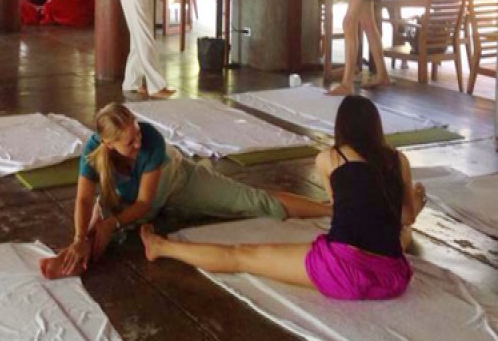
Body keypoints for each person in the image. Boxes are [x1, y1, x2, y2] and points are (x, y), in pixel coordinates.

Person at [140, 95, 427, 301]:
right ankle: (161, 247)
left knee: (242, 256)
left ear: (341, 128)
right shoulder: (397, 159)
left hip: (341, 270)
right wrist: (413, 201)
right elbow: (406, 217)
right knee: (396, 235)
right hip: (391, 278)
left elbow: (341, 207)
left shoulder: (330, 158)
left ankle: (161, 247)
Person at [39, 102, 331, 279]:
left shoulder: (151, 140)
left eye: (137, 133)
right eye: (129, 142)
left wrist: (111, 223)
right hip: (131, 196)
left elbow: (144, 204)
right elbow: (83, 197)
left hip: (176, 181)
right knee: (97, 228)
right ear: (109, 144)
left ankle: (328, 209)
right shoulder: (94, 151)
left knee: (253, 201)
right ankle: (72, 257)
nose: (138, 142)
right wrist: (79, 237)